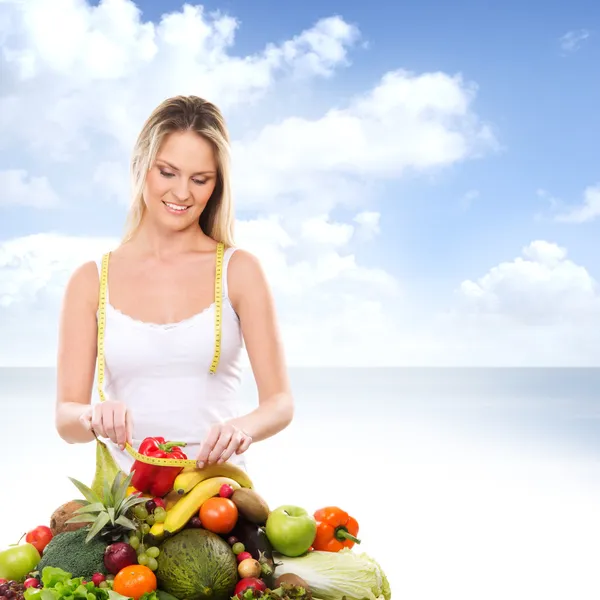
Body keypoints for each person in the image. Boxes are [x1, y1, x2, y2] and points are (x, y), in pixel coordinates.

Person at [54, 95, 294, 492]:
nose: (182, 193)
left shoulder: (239, 271)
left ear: (217, 185)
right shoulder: (90, 280)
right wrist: (92, 416)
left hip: (218, 499)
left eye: (201, 179)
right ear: (141, 168)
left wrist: (241, 428)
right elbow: (66, 419)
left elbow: (280, 402)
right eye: (167, 172)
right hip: (125, 509)